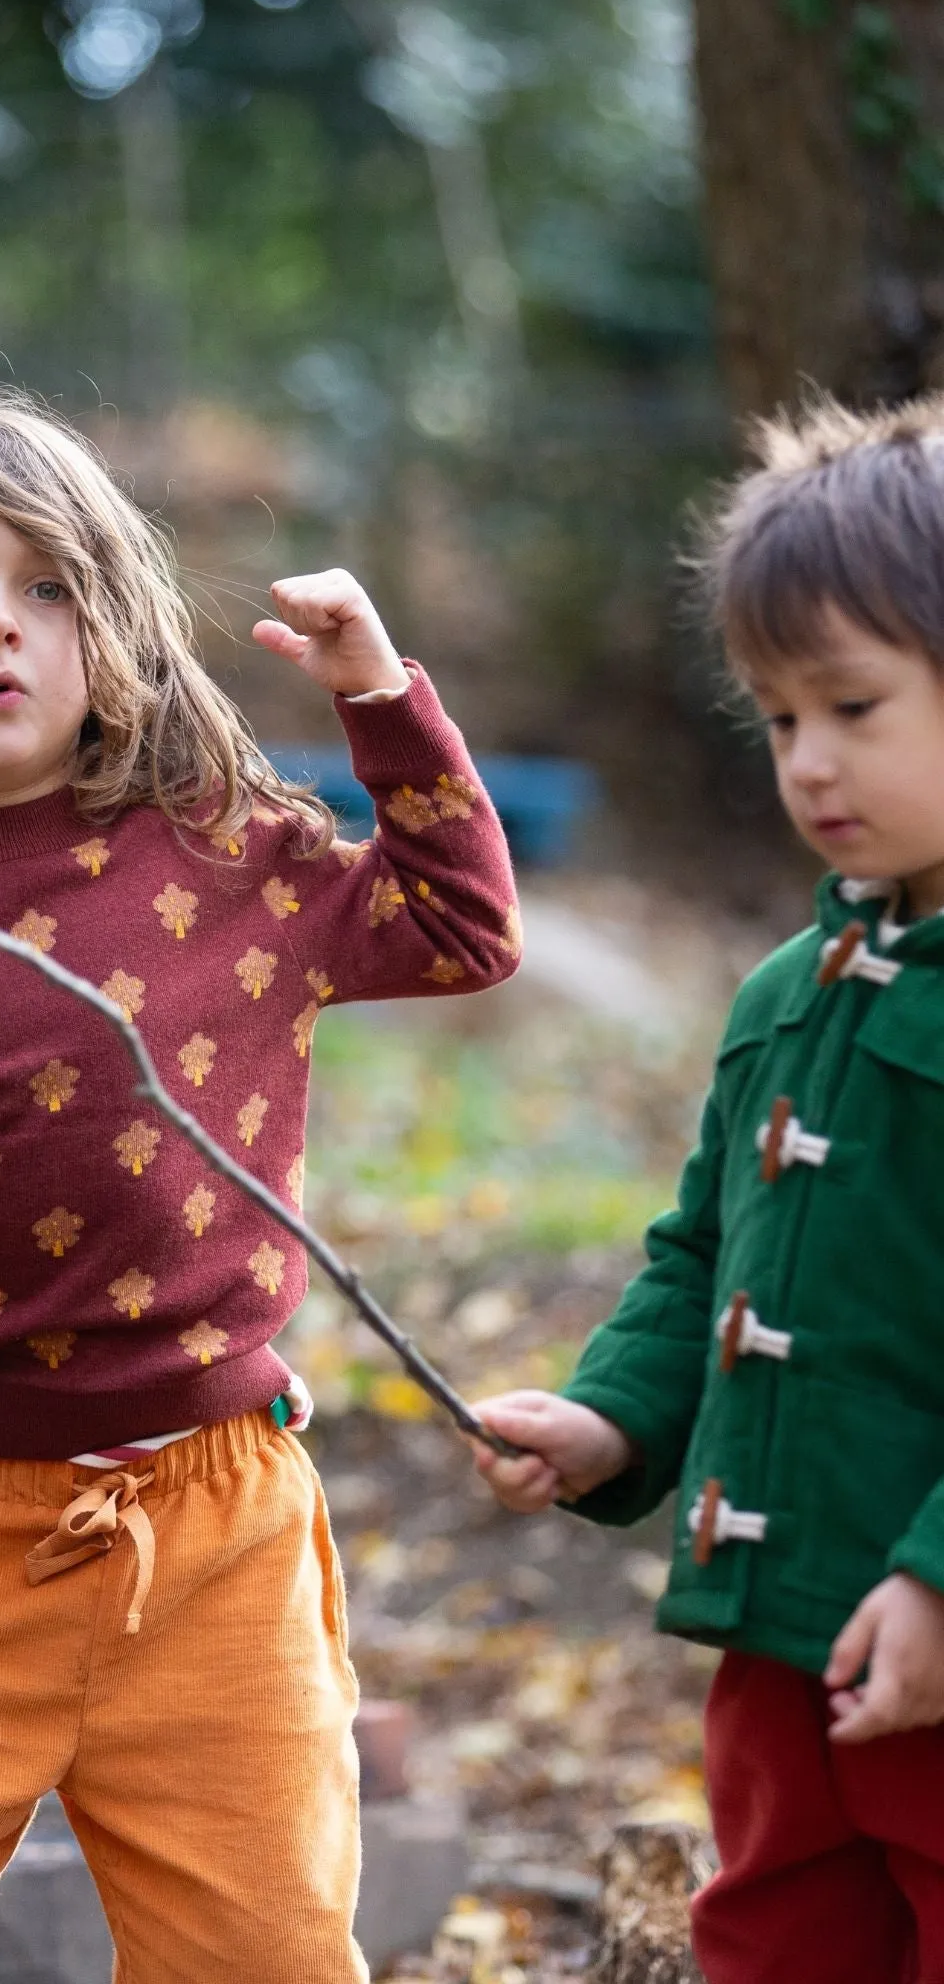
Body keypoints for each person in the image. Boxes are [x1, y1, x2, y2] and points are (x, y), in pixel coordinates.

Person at [0, 387, 520, 1981]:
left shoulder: (227, 857)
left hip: (218, 1532)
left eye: (47, 585)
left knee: (268, 1960)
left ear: (119, 633)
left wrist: (380, 700)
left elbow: (461, 928)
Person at [470, 395, 944, 1984]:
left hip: (933, 1641)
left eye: (853, 708)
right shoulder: (784, 999)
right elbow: (700, 1260)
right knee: (773, 1942)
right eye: (777, 717)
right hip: (776, 1647)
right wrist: (611, 1420)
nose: (807, 762)